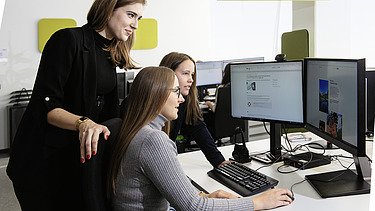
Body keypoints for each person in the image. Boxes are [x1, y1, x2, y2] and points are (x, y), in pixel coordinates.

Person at [6, 0, 146, 209]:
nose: (135, 25)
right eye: (131, 15)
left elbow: (108, 111)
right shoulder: (68, 40)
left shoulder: (110, 51)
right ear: (108, 10)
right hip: (43, 162)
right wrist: (84, 123)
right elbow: (46, 105)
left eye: (139, 18)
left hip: (75, 159)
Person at [108, 66, 293, 210]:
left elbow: (188, 201)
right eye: (175, 92)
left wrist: (204, 197)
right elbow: (193, 208)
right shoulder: (153, 140)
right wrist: (257, 202)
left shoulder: (136, 129)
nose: (181, 99)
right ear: (155, 94)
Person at [159, 52, 228, 168]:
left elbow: (198, 128)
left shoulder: (185, 101)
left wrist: (219, 161)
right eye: (185, 73)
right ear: (168, 74)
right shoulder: (152, 110)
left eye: (192, 75)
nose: (191, 79)